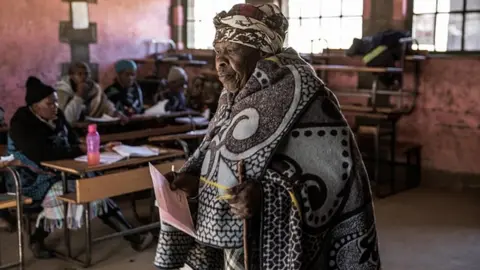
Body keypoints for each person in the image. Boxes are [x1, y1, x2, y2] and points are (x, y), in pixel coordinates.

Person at [154, 3, 380, 270]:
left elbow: (338, 178)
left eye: (232, 51)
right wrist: (194, 181)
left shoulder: (308, 97)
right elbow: (219, 159)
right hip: (234, 244)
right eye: (217, 51)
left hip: (283, 245)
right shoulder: (233, 96)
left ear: (262, 52)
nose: (220, 62)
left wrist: (265, 196)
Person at [7, 76, 152, 259]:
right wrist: (76, 149)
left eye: (56, 102)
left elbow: (74, 141)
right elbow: (40, 154)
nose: (55, 107)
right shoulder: (22, 123)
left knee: (90, 187)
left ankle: (133, 236)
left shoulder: (56, 117)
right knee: (78, 189)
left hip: (60, 172)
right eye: (49, 104)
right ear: (35, 107)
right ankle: (133, 236)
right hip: (28, 178)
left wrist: (97, 148)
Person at [55, 62, 128, 124]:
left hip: (92, 126)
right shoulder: (62, 90)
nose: (84, 77)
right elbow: (68, 119)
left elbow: (106, 105)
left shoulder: (95, 88)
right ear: (71, 76)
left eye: (86, 74)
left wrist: (117, 113)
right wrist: (79, 96)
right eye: (79, 74)